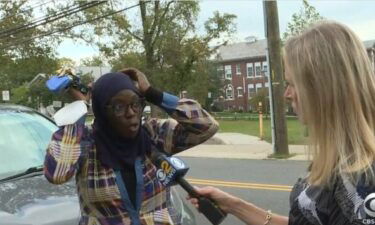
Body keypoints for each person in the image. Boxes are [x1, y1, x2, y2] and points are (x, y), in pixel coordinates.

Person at [189, 21, 375, 225]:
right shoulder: (340, 159)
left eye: (292, 84)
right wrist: (235, 206)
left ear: (322, 90)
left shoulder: (361, 184)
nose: (286, 94)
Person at [44, 68, 219, 225]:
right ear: (102, 111)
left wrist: (152, 93)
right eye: (119, 107)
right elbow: (57, 174)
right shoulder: (86, 143)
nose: (131, 113)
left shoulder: (152, 134)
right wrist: (81, 107)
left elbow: (206, 126)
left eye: (136, 104)